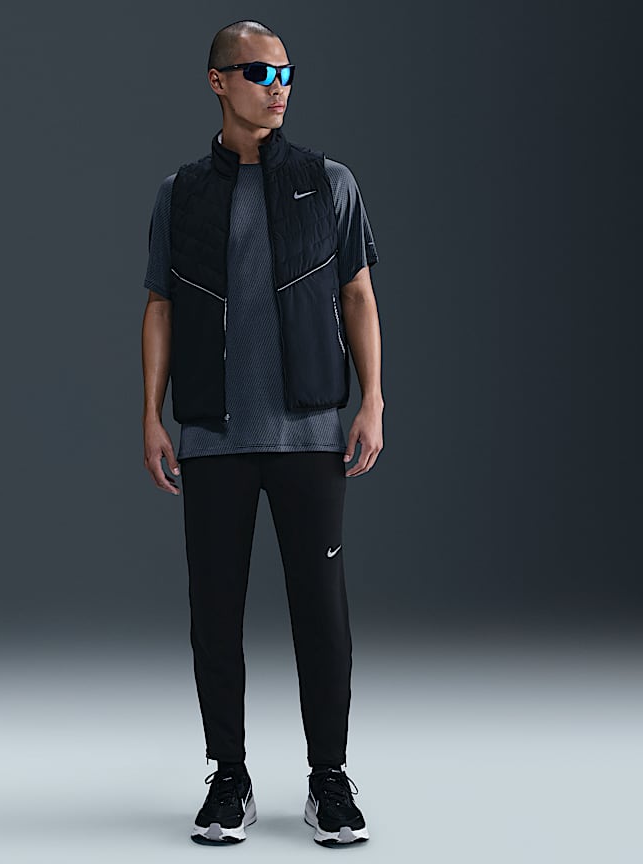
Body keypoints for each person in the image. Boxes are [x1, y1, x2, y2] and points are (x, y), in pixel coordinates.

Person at [141, 19, 384, 847]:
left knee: (322, 611)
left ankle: (329, 779)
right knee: (215, 612)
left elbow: (357, 294)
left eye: (285, 73)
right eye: (259, 73)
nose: (277, 88)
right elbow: (160, 307)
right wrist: (151, 415)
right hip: (213, 436)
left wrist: (373, 401)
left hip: (310, 433)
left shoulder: (328, 182)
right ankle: (229, 777)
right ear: (218, 82)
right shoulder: (181, 194)